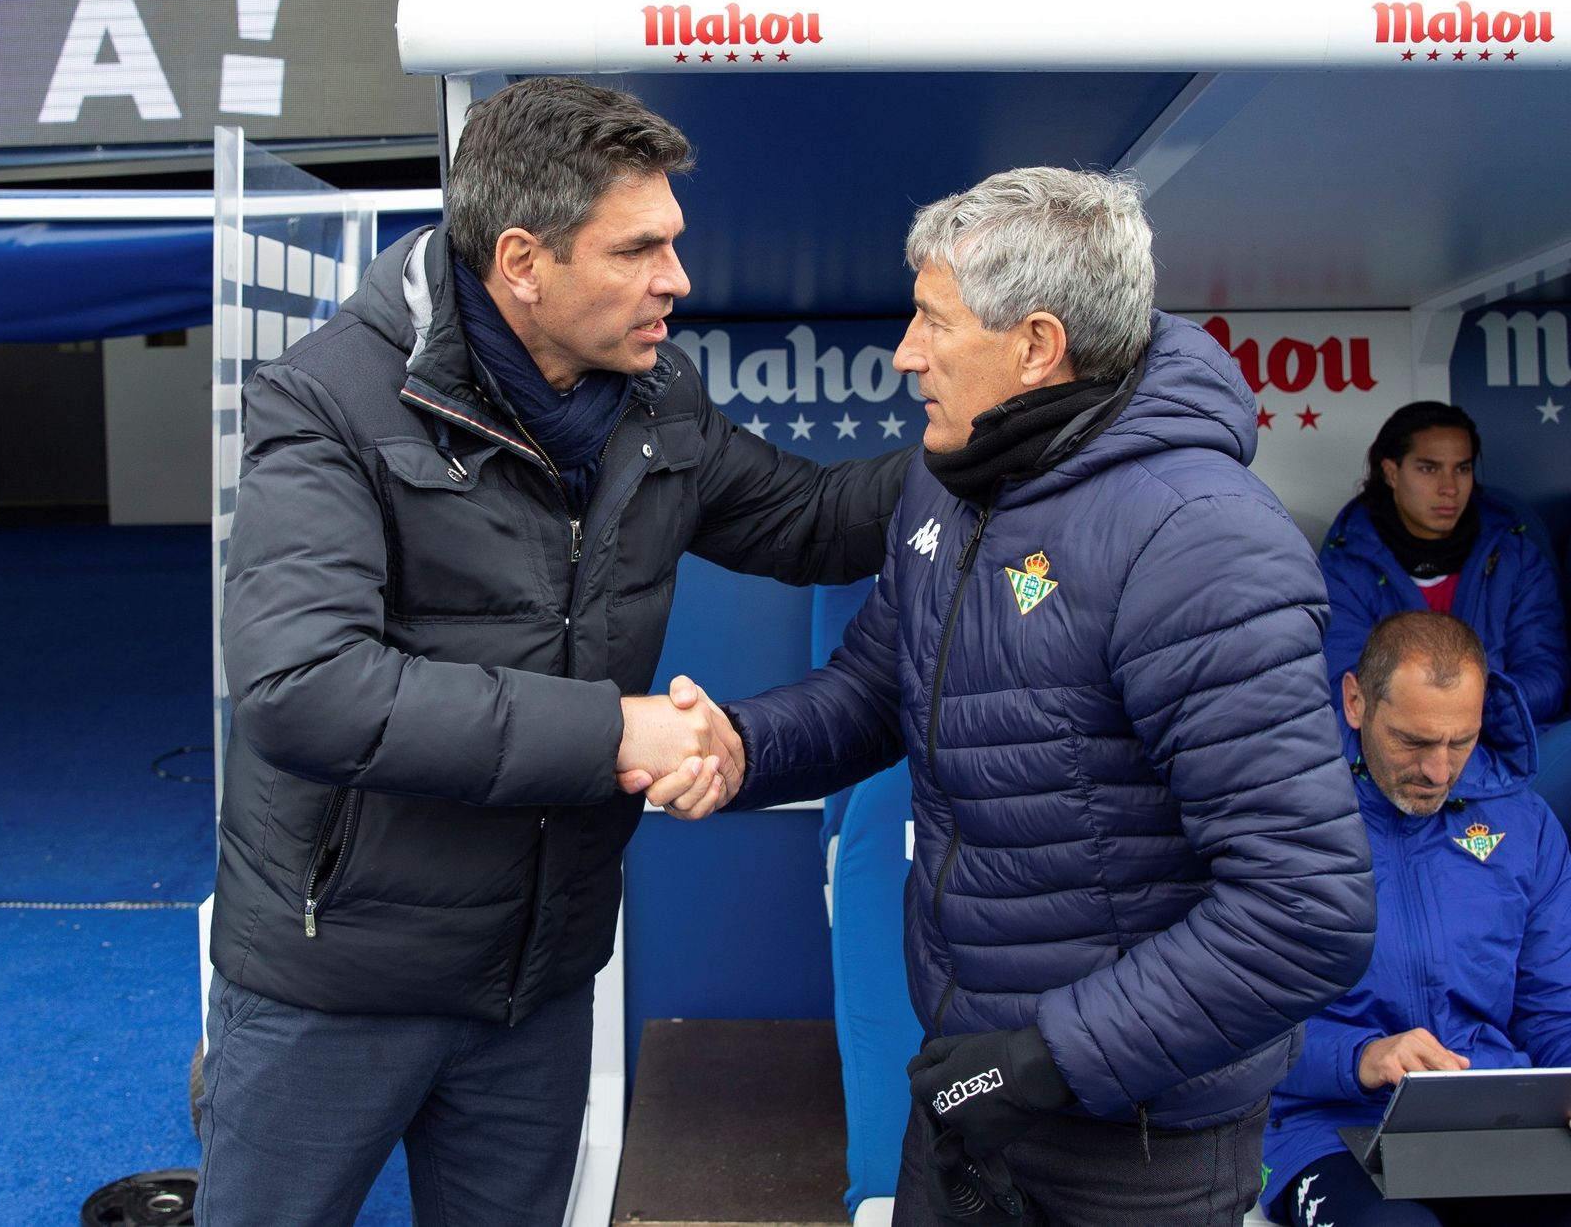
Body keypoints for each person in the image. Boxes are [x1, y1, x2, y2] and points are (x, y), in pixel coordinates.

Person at [197, 76, 910, 1227]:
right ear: (522, 260)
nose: (676, 280)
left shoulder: (654, 395)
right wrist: (615, 731)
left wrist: (996, 434)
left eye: (672, 243)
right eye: (637, 251)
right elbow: (301, 690)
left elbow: (812, 521)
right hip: (340, 983)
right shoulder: (328, 401)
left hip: (537, 978)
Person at [649, 166, 1376, 1225]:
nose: (904, 353)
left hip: (1129, 1142)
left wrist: (1041, 1063)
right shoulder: (949, 479)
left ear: (1037, 346)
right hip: (969, 1090)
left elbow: (1304, 910)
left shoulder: (1199, 540)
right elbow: (871, 688)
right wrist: (742, 747)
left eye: (932, 322)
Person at [1263, 611, 1571, 1227]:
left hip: (1492, 1119)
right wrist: (1361, 1056)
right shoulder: (1281, 818)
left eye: (1462, 741)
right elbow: (1226, 1027)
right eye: (1413, 740)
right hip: (1321, 1126)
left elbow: (1553, 1009)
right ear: (1355, 702)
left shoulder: (1525, 824)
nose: (1438, 770)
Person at [1320, 400, 1568, 724]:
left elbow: (1547, 675)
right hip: (1391, 759)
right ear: (1391, 472)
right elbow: (1345, 685)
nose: (1449, 488)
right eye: (1429, 468)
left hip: (1501, 748)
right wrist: (1437, 719)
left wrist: (1479, 710)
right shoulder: (1345, 567)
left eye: (1462, 468)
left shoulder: (1516, 557)